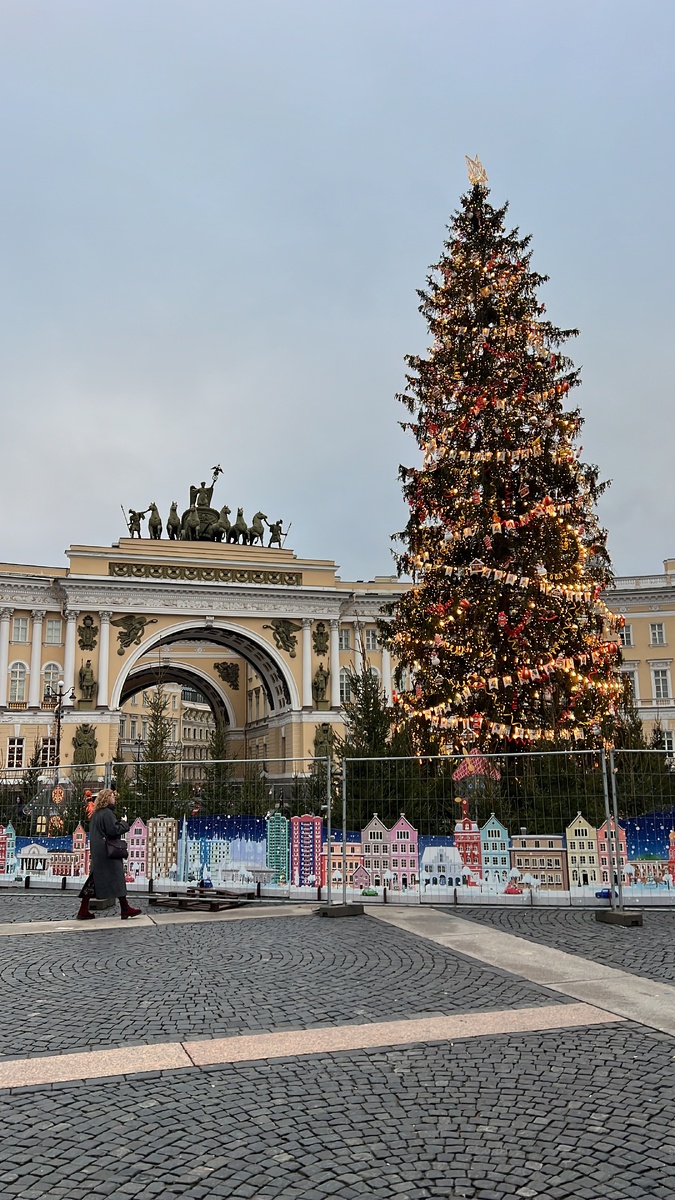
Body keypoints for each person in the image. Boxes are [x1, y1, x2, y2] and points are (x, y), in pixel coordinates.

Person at [76, 789, 141, 921]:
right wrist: (124, 823)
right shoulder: (107, 813)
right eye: (112, 796)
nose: (114, 798)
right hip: (107, 852)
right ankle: (125, 908)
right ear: (107, 798)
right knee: (117, 877)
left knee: (93, 880)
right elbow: (113, 831)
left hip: (98, 851)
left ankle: (83, 909)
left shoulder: (96, 814)